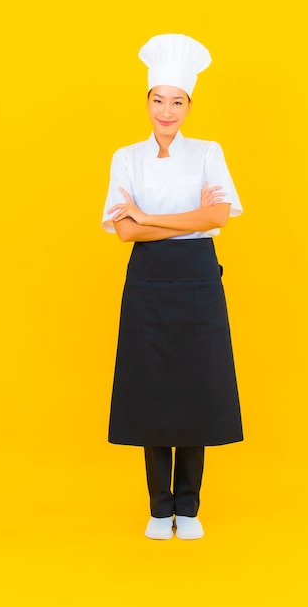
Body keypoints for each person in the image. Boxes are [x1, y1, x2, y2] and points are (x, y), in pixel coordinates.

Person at [101, 33, 243, 540]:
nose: (167, 110)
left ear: (189, 105)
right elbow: (125, 231)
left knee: (196, 389)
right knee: (152, 390)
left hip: (200, 280)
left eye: (177, 101)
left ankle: (190, 506)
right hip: (147, 282)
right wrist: (191, 218)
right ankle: (160, 508)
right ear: (147, 102)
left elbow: (220, 216)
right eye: (158, 100)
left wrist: (148, 214)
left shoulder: (208, 152)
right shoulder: (126, 158)